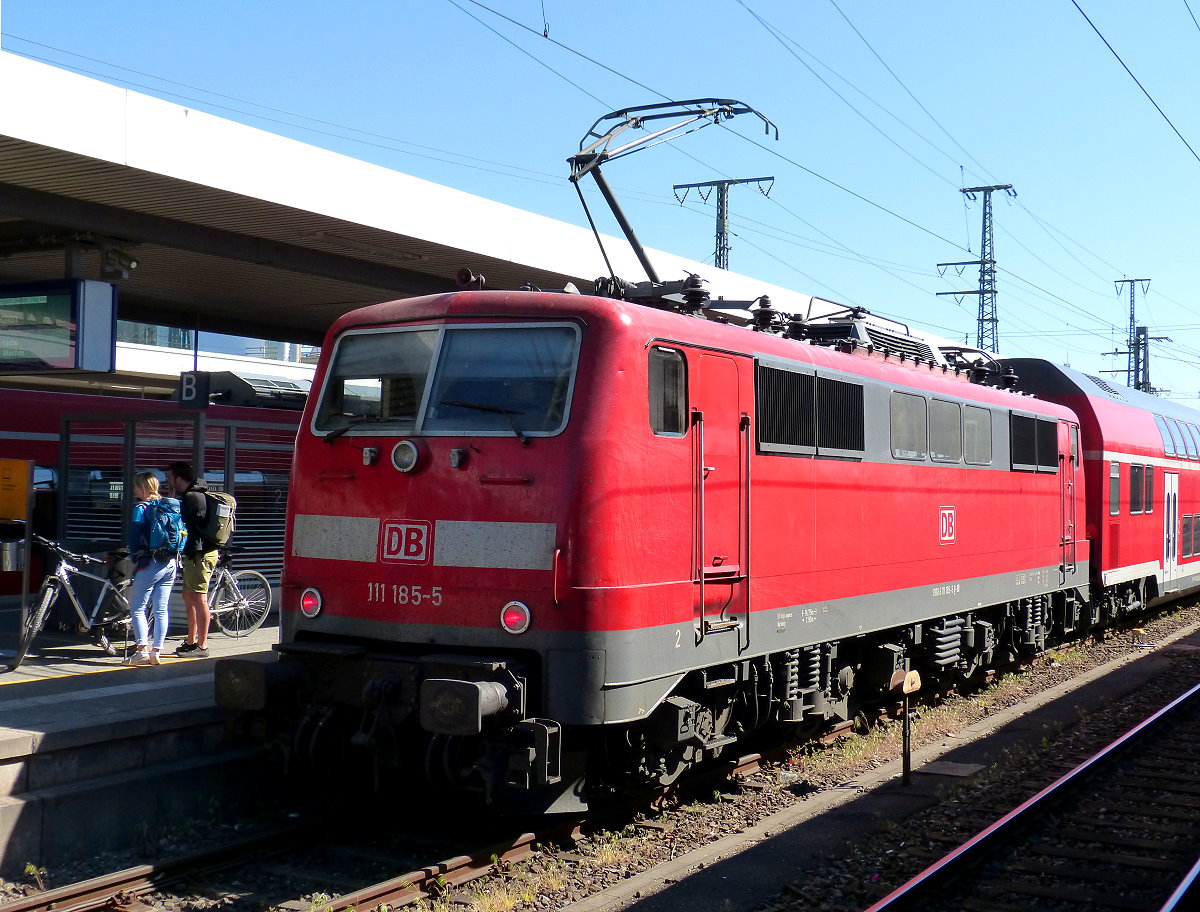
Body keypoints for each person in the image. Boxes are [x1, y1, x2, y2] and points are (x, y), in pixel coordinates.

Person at [125, 472, 179, 666]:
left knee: (138, 608)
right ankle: (157, 651)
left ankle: (142, 650)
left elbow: (134, 534)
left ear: (142, 488)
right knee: (161, 608)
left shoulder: (142, 507)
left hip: (150, 563)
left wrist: (133, 555)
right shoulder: (168, 505)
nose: (134, 490)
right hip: (171, 562)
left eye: (135, 487)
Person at [165, 461, 214, 658]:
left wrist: (170, 502)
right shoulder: (194, 494)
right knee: (188, 596)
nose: (168, 482)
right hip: (196, 553)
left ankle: (202, 646)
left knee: (199, 598)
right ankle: (191, 640)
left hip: (200, 554)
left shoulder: (192, 497)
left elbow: (184, 526)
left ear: (178, 478)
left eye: (169, 478)